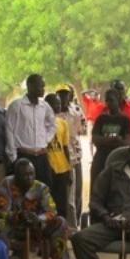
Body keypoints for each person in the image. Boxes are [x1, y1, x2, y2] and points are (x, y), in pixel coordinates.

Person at [0, 159, 77, 259]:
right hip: (12, 227)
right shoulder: (7, 184)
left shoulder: (41, 188)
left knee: (60, 222)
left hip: (35, 227)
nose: (29, 178)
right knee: (0, 227)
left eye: (31, 174)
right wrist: (19, 216)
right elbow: (1, 212)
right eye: (25, 175)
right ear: (16, 176)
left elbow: (52, 211)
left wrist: (38, 218)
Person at [6, 74, 56, 186]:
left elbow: (52, 125)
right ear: (30, 86)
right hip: (24, 156)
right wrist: (13, 158)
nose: (43, 89)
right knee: (24, 190)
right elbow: (9, 131)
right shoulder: (16, 106)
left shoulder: (45, 106)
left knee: (44, 189)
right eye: (40, 86)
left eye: (43, 86)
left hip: (42, 157)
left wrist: (46, 140)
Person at [89, 88, 130, 182]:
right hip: (101, 158)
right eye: (107, 100)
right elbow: (95, 139)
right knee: (97, 184)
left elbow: (127, 142)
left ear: (118, 100)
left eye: (111, 100)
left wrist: (104, 140)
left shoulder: (124, 119)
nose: (109, 103)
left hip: (118, 159)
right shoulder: (101, 118)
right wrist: (114, 140)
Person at [57, 86, 85, 223]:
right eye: (60, 94)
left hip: (74, 157)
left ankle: (76, 221)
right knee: (62, 191)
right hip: (58, 158)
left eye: (66, 94)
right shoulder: (52, 114)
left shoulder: (76, 112)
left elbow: (81, 130)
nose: (63, 97)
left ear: (70, 96)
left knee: (76, 190)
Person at [44, 93, 73, 222]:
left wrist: (69, 168)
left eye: (59, 103)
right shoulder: (40, 123)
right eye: (55, 103)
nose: (58, 106)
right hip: (47, 168)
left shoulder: (63, 123)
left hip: (62, 168)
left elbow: (65, 147)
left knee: (62, 202)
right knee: (49, 202)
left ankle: (63, 227)